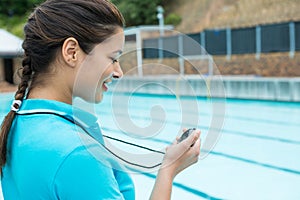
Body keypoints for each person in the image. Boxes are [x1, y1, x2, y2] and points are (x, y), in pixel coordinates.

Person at [0, 0, 201, 199]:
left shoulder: (16, 123)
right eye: (113, 58)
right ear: (71, 53)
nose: (119, 72)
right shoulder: (79, 153)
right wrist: (169, 170)